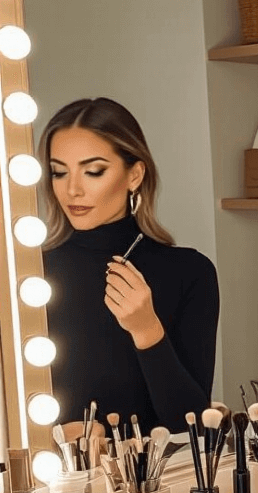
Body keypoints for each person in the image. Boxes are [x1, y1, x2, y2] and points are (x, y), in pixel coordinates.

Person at [39, 97, 219, 434]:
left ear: (134, 174)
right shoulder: (30, 280)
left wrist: (146, 329)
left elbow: (190, 426)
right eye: (58, 172)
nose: (73, 189)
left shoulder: (190, 273)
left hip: (159, 484)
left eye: (93, 171)